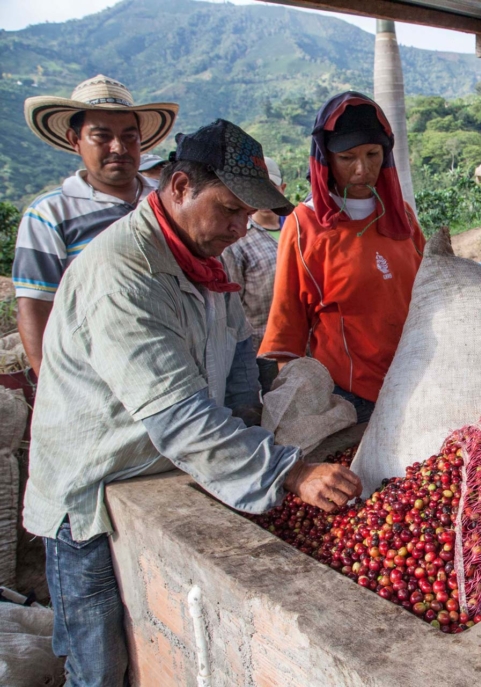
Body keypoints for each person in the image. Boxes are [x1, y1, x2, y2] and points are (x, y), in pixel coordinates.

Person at [22, 119, 363, 686]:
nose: (237, 228)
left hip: (154, 468)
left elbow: (233, 358)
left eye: (245, 215)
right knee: (98, 662)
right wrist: (289, 471)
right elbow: (179, 416)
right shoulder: (124, 276)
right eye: (229, 210)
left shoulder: (208, 261)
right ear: (179, 187)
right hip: (89, 493)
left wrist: (253, 428)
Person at [260, 92, 426, 424]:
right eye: (347, 157)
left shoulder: (402, 217)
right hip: (351, 398)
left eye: (373, 154)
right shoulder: (304, 226)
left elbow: (428, 292)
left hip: (416, 382)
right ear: (325, 160)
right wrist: (297, 405)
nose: (362, 170)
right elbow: (288, 325)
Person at [13, 74, 178, 375]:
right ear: (75, 141)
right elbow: (35, 307)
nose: (118, 147)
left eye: (129, 136)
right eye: (101, 136)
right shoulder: (50, 214)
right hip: (95, 376)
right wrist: (51, 384)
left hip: (175, 366)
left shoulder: (166, 203)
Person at [223, 156, 287, 393]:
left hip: (305, 343)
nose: (264, 196)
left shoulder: (298, 228)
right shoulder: (239, 240)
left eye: (269, 188)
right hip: (263, 350)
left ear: (282, 189)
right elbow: (233, 303)